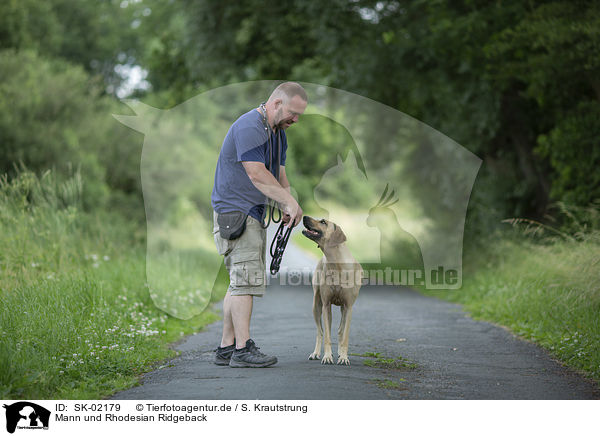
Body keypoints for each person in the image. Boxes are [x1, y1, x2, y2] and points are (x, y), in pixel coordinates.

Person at [211, 82, 307, 367]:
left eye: (300, 115)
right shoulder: (249, 127)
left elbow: (278, 174)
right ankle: (242, 350)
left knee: (238, 281)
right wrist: (286, 202)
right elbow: (256, 173)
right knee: (245, 282)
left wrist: (287, 201)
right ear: (277, 103)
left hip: (251, 213)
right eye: (293, 113)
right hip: (236, 212)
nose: (296, 120)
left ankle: (226, 347)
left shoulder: (279, 134)